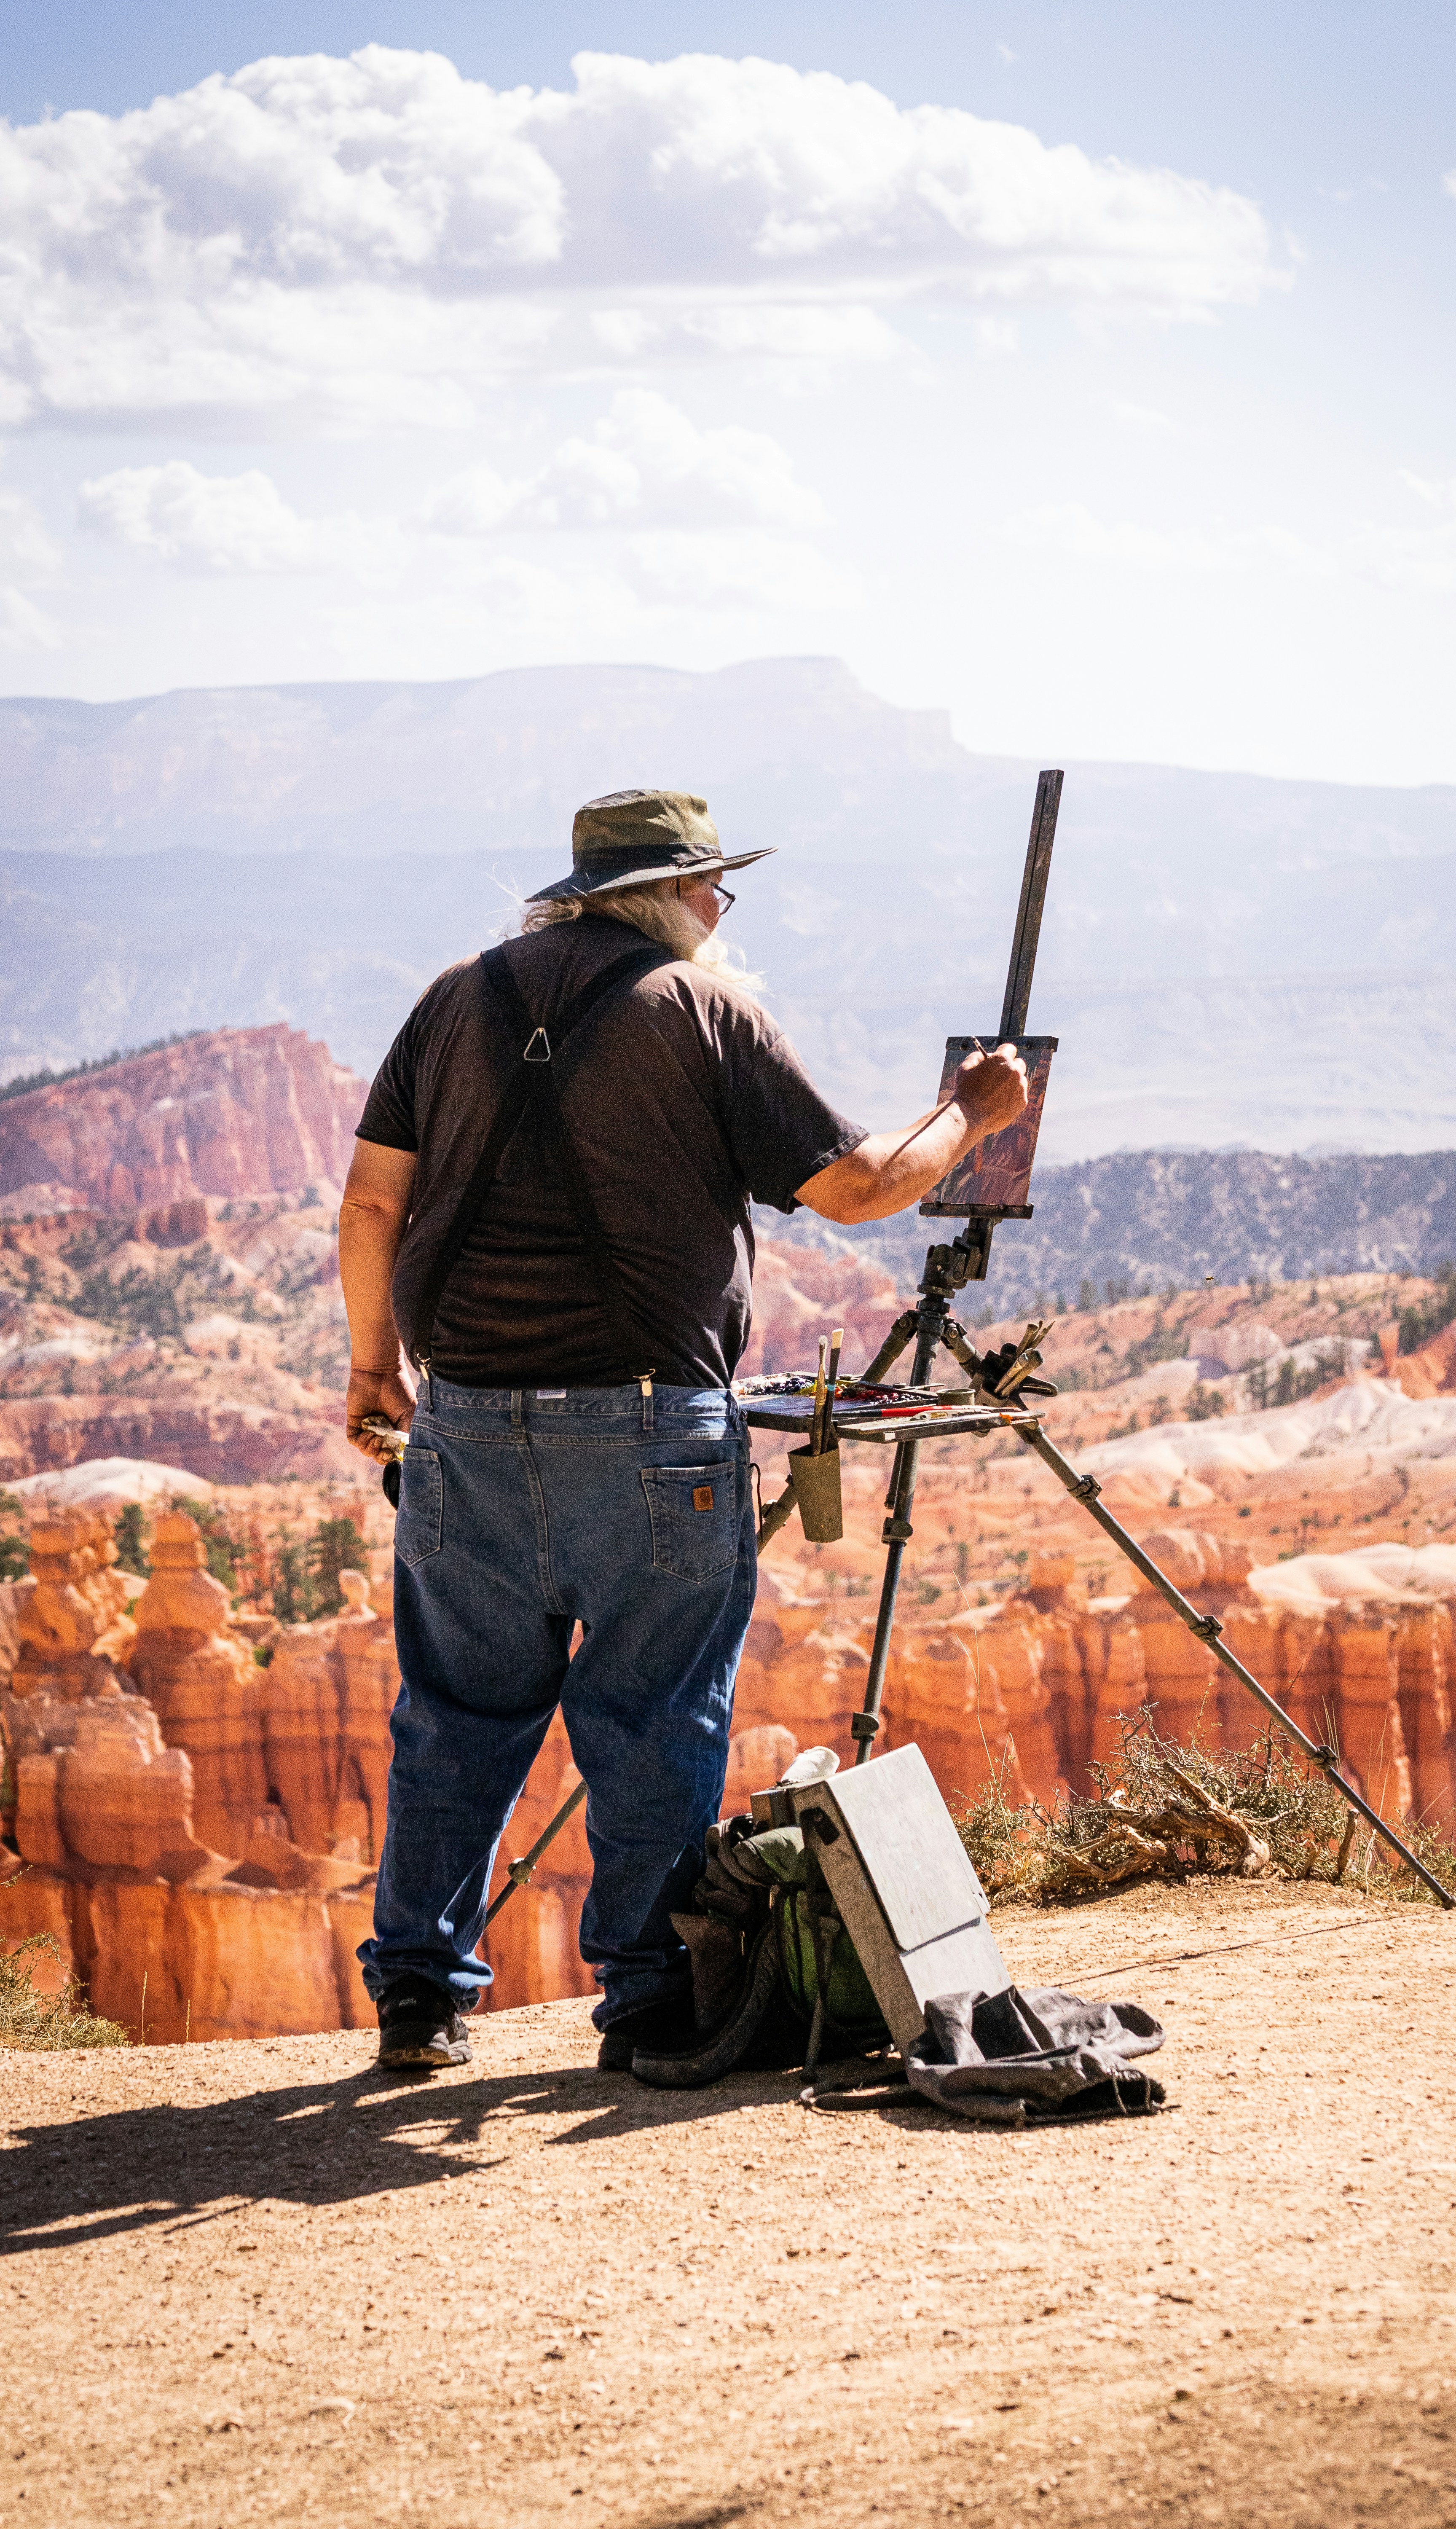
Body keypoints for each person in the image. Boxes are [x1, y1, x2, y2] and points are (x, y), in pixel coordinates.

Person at [339, 787, 1027, 2072]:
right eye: (715, 887)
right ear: (667, 894)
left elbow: (374, 1204)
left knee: (454, 1720)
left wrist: (375, 1367)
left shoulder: (453, 1000)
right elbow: (865, 1186)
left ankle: (420, 1996)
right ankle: (649, 2003)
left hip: (466, 1422)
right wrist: (971, 1114)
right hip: (651, 1426)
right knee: (654, 1721)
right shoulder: (701, 1008)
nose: (721, 908)